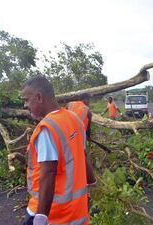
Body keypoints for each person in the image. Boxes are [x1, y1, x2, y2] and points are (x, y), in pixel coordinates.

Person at [21, 75, 95, 225]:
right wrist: (92, 183)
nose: (25, 105)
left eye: (26, 100)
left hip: (53, 215)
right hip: (76, 214)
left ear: (39, 97)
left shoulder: (47, 129)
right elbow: (82, 155)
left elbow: (48, 174)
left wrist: (41, 217)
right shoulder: (74, 119)